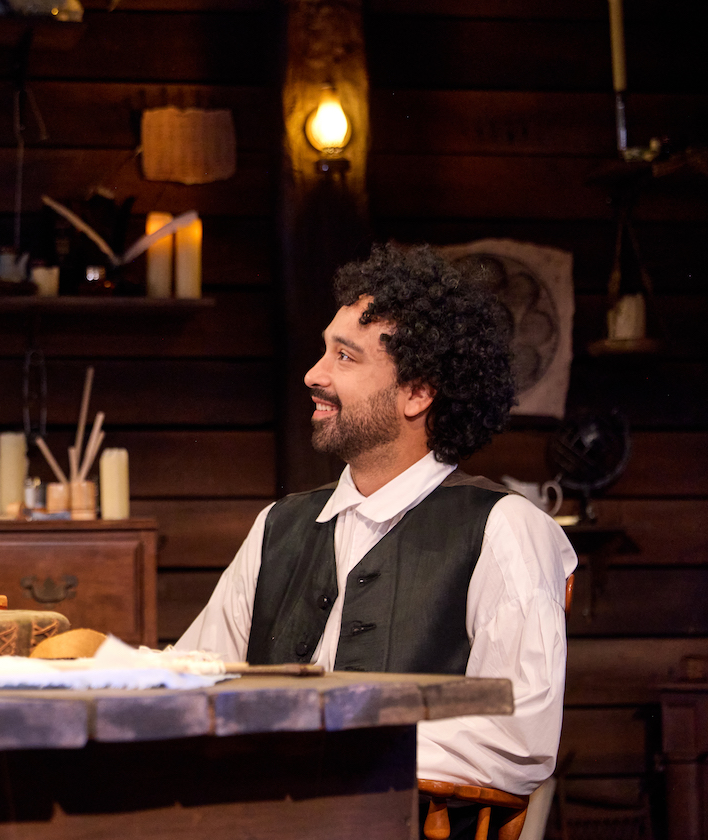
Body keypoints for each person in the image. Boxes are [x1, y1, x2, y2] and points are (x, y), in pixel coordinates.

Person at [176, 243, 576, 826]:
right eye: (325, 350)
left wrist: (327, 746)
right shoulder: (278, 526)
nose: (314, 375)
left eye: (345, 357)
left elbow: (520, 735)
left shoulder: (504, 527)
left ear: (417, 392)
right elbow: (194, 676)